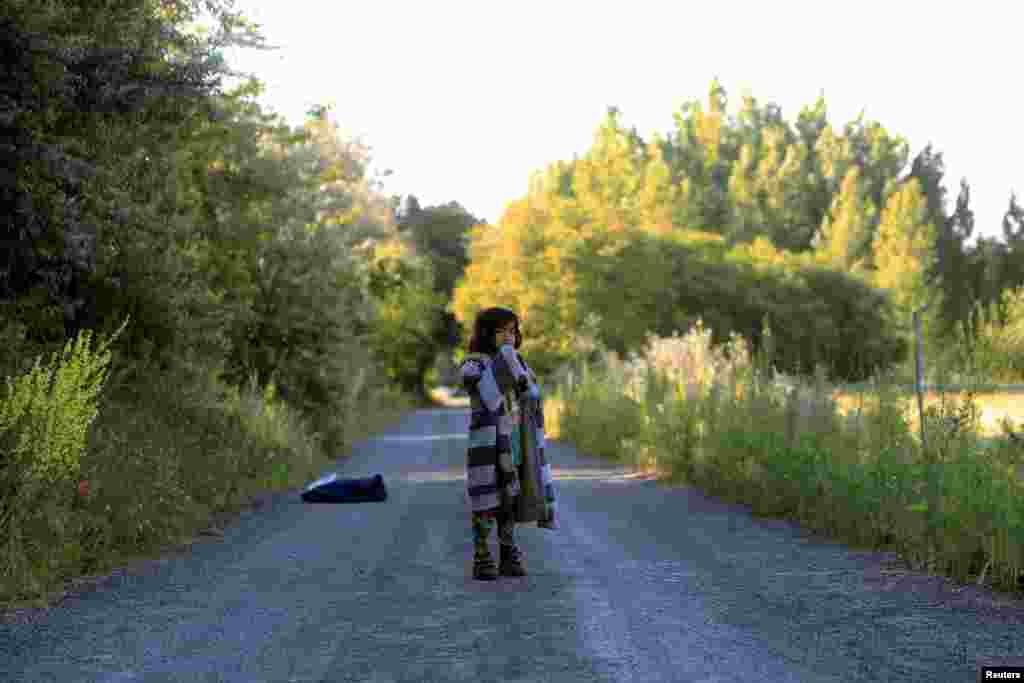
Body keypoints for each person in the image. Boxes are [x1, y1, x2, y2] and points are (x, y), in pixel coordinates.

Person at [460, 306, 557, 581]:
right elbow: (486, 392)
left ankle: (507, 550)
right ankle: (481, 555)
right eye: (501, 331)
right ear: (486, 334)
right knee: (486, 498)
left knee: (509, 497)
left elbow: (532, 392)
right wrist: (507, 361)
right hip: (487, 444)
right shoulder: (474, 363)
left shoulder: (520, 362)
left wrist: (517, 371)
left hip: (514, 440)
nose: (507, 337)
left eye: (512, 331)